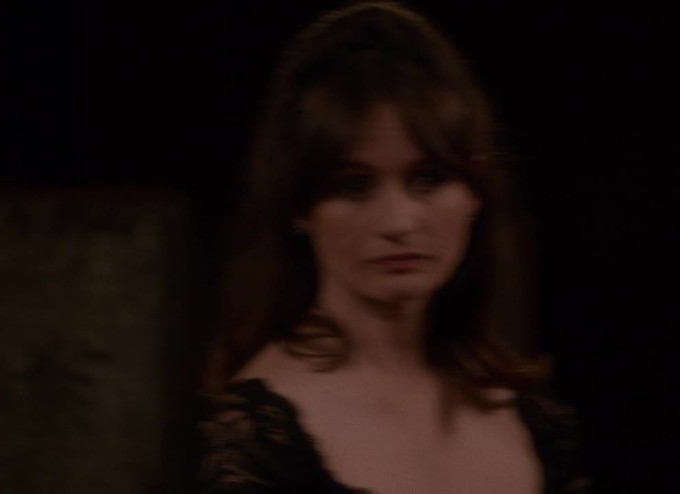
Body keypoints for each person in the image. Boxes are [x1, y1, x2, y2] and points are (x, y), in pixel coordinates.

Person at [199, 2, 592, 493]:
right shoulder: (264, 441)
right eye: (354, 187)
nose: (398, 223)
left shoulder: (534, 422)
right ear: (298, 207)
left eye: (428, 179)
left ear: (475, 193)